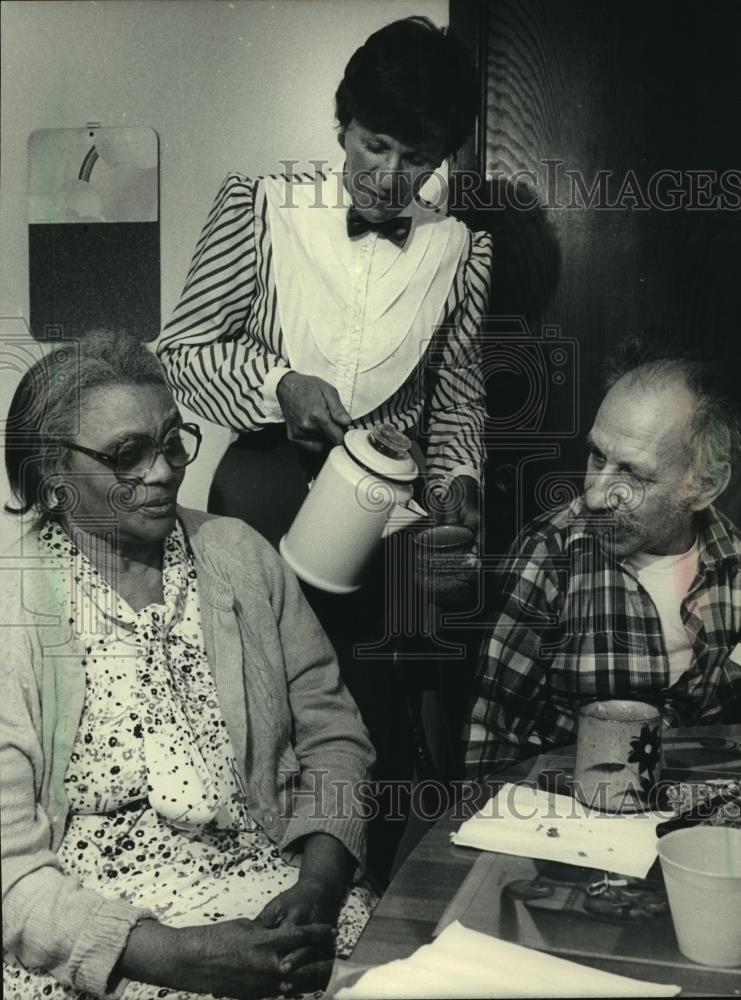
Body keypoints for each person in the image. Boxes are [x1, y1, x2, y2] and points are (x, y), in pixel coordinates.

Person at [157, 16, 493, 881]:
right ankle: (271, 876)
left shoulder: (458, 250)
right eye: (374, 145)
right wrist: (279, 386)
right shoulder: (260, 207)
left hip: (377, 501)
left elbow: (453, 397)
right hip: (257, 482)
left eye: (416, 157)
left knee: (390, 672)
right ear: (341, 123)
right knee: (279, 681)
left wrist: (458, 481)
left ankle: (371, 891)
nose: (389, 178)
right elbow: (184, 351)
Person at [1, 331, 376, 1000]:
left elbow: (334, 737)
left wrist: (317, 887)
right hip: (104, 940)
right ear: (52, 471)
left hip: (274, 897)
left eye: (172, 441)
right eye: (127, 455)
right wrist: (171, 958)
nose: (163, 471)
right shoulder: (13, 605)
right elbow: (9, 871)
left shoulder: (237, 554)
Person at [464, 342, 741, 779]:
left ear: (704, 486)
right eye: (596, 456)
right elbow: (489, 747)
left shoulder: (734, 562)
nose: (594, 495)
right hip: (574, 823)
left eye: (632, 473)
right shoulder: (548, 556)